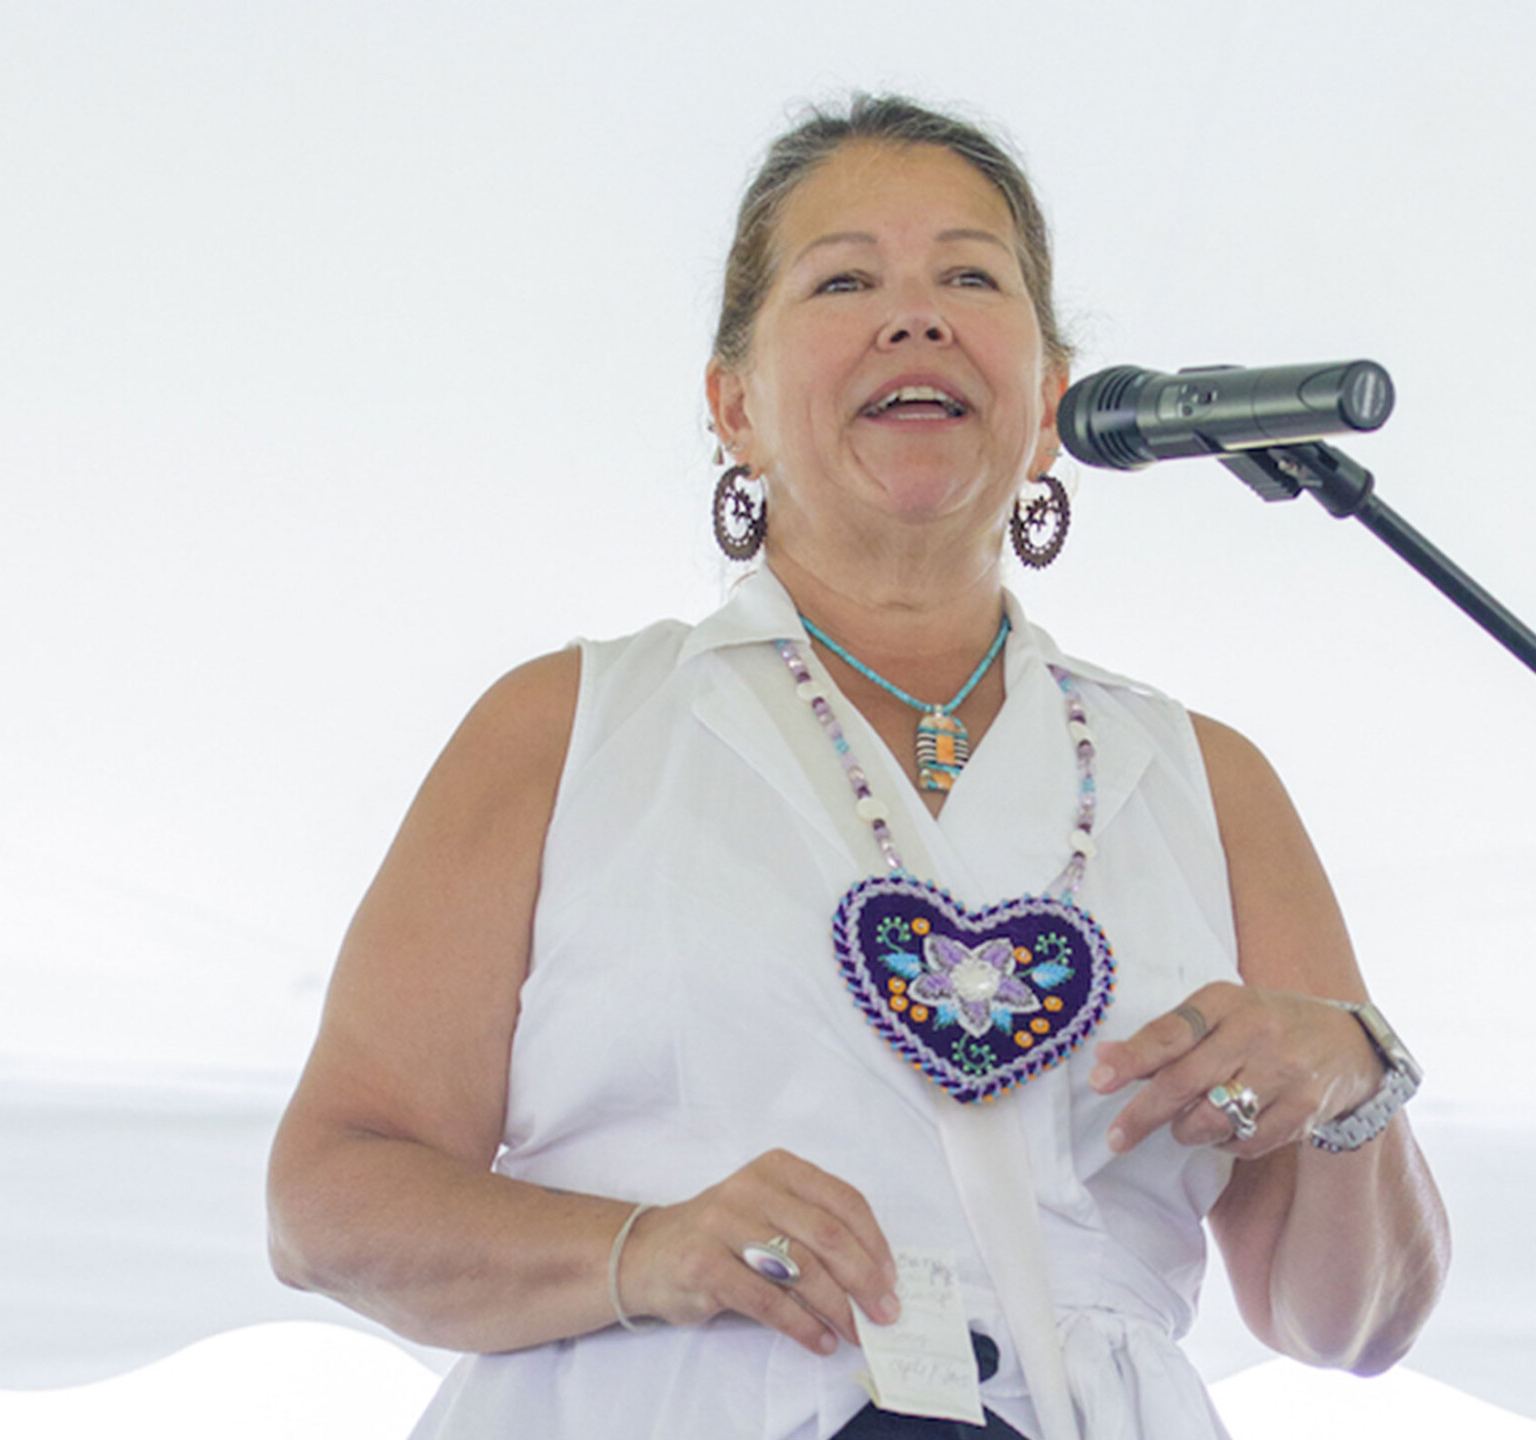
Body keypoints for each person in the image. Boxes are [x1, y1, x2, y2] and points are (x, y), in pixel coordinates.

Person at [266, 93, 1448, 1439]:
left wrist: (1353, 1082)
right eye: (845, 281)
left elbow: (1348, 1322)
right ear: (735, 407)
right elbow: (328, 1198)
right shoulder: (570, 725)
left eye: (969, 275)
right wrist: (641, 1251)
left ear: (1051, 400)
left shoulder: (1202, 778)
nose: (917, 315)